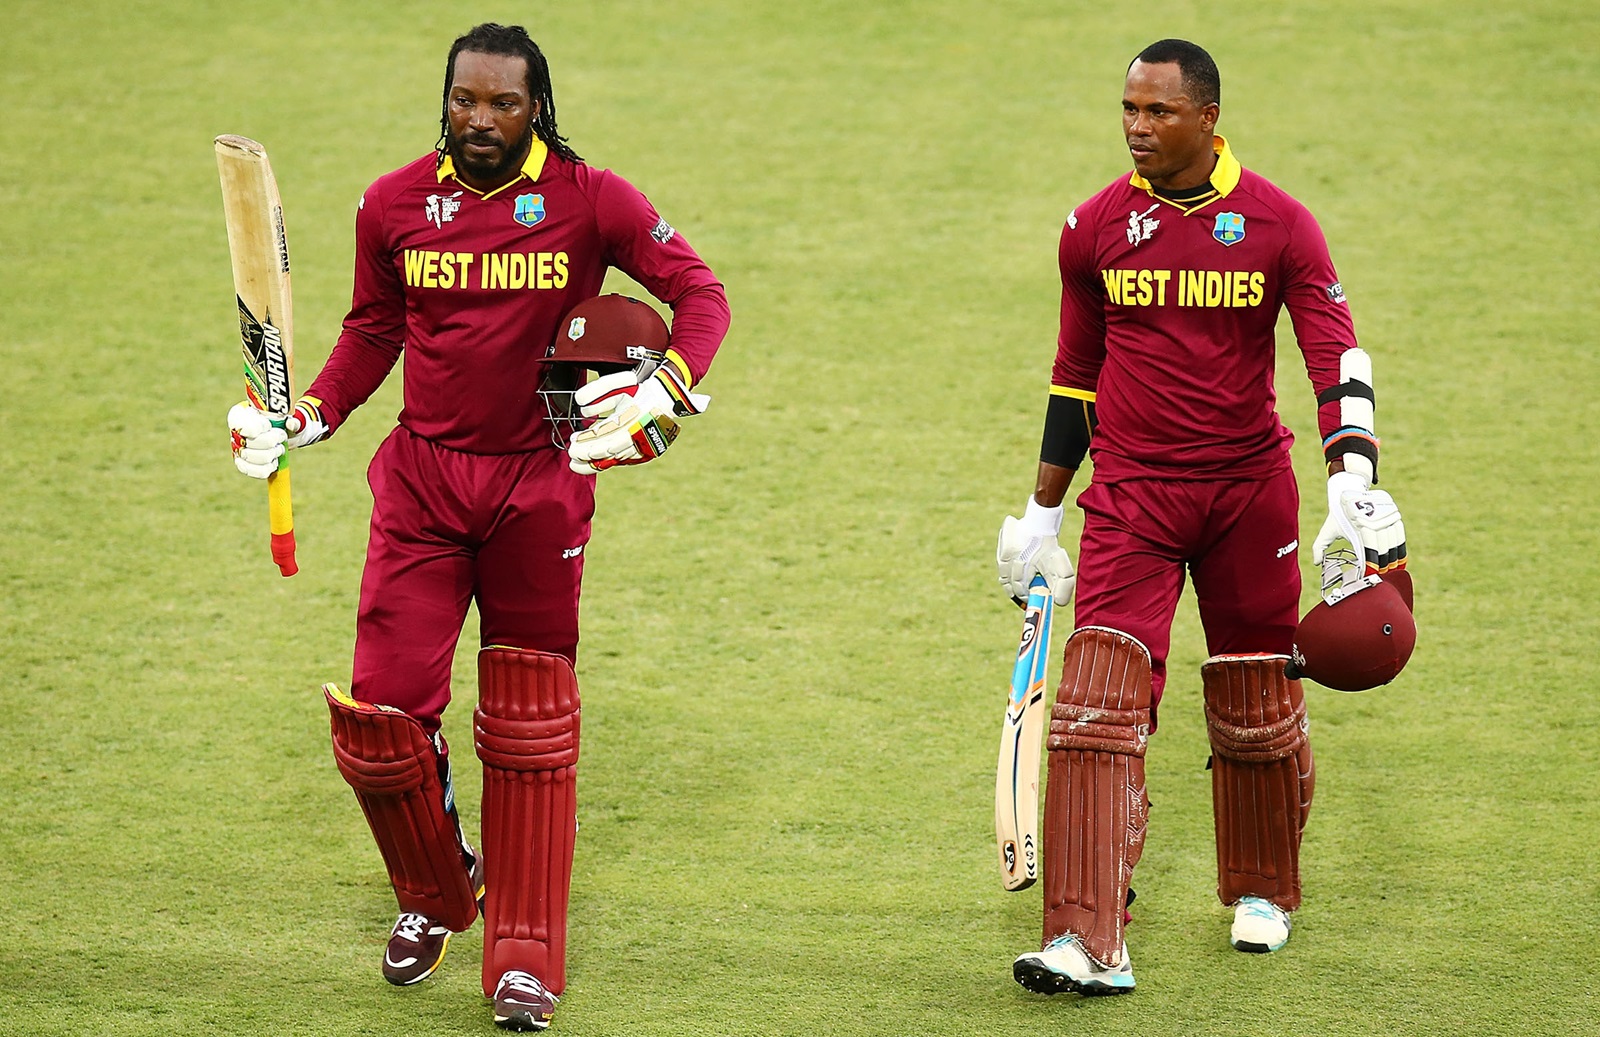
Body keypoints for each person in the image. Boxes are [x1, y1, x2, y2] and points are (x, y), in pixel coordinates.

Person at [227, 23, 729, 1031]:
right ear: (444, 99)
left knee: (529, 723)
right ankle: (438, 890)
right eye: (465, 100)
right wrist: (307, 417)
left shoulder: (593, 199)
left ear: (536, 106)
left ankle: (527, 956)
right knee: (382, 722)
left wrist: (666, 389)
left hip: (538, 486)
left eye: (503, 103)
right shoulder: (394, 201)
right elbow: (375, 327)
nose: (481, 119)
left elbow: (698, 292)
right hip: (420, 486)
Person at [995, 38, 1406, 996]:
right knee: (1097, 701)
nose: (1136, 128)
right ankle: (1088, 938)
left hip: (1247, 492)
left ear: (1209, 117)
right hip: (1131, 497)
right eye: (1129, 110)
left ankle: (1263, 890)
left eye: (1158, 113)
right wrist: (1041, 514)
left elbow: (1336, 357)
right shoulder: (1093, 225)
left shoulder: (1279, 223)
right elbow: (1074, 375)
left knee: (1256, 699)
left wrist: (1353, 478)